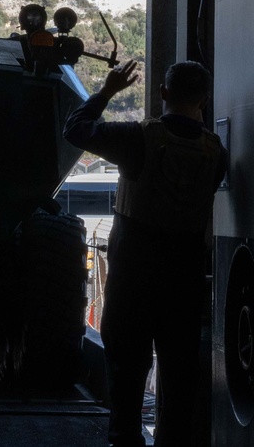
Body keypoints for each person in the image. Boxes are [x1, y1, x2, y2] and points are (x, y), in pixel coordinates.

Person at [63, 59, 226, 447]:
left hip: (133, 277)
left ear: (163, 93)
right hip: (184, 280)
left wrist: (106, 91)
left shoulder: (139, 138)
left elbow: (76, 130)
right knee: (179, 381)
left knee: (126, 379)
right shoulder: (214, 153)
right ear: (204, 99)